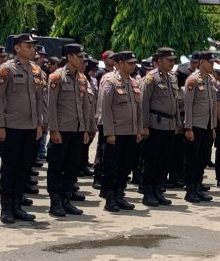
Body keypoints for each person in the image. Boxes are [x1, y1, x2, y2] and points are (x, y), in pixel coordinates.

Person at [0, 33, 44, 224]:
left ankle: (17, 206)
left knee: (24, 168)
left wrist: (39, 124)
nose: (32, 49)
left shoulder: (36, 70)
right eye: (28, 46)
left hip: (30, 127)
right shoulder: (6, 69)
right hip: (12, 127)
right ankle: (6, 208)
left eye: (33, 46)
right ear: (17, 48)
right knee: (10, 169)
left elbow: (39, 99)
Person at [46, 43, 91, 217]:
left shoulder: (82, 78)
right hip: (62, 130)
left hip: (77, 130)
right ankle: (55, 202)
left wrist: (85, 129)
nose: (83, 60)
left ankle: (66, 199)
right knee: (56, 167)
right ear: (70, 57)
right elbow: (51, 106)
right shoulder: (57, 77)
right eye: (80, 57)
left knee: (72, 166)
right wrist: (54, 130)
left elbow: (85, 106)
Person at [99, 51, 143, 212]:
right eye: (129, 63)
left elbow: (138, 109)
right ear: (121, 63)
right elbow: (106, 109)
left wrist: (138, 130)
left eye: (134, 63)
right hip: (116, 133)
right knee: (111, 167)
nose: (133, 66)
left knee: (126, 166)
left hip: (131, 133)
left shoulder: (133, 82)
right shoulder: (110, 82)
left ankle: (119, 194)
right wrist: (109, 132)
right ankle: (110, 198)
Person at [140, 47, 181, 207]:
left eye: (173, 60)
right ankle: (148, 192)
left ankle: (158, 190)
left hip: (169, 125)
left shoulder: (172, 77)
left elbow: (175, 102)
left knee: (164, 160)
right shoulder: (151, 78)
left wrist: (177, 122)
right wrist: (144, 126)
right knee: (152, 160)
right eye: (169, 60)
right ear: (159, 60)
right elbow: (144, 103)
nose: (172, 63)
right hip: (155, 124)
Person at [183, 51, 217, 203]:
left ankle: (198, 187)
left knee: (203, 158)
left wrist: (213, 127)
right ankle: (190, 190)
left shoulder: (210, 79)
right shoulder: (193, 80)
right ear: (202, 62)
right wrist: (188, 128)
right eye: (210, 62)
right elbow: (188, 105)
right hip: (196, 125)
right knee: (192, 158)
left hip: (208, 125)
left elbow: (212, 105)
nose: (212, 65)